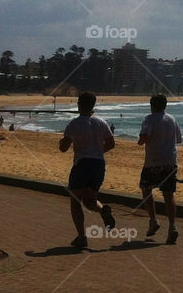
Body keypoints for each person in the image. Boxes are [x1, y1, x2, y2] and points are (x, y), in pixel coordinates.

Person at [59, 92, 116, 248]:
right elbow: (111, 143)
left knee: (75, 201)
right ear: (93, 105)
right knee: (90, 201)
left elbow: (64, 148)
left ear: (79, 104)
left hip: (82, 164)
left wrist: (61, 143)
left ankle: (81, 237)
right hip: (98, 164)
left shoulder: (74, 124)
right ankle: (103, 210)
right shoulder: (101, 122)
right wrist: (98, 152)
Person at [138, 93, 182, 245]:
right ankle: (172, 226)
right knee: (169, 195)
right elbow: (179, 139)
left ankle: (153, 220)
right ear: (165, 106)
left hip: (153, 162)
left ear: (152, 106)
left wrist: (140, 141)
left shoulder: (149, 119)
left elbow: (144, 137)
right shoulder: (172, 119)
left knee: (146, 188)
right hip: (170, 161)